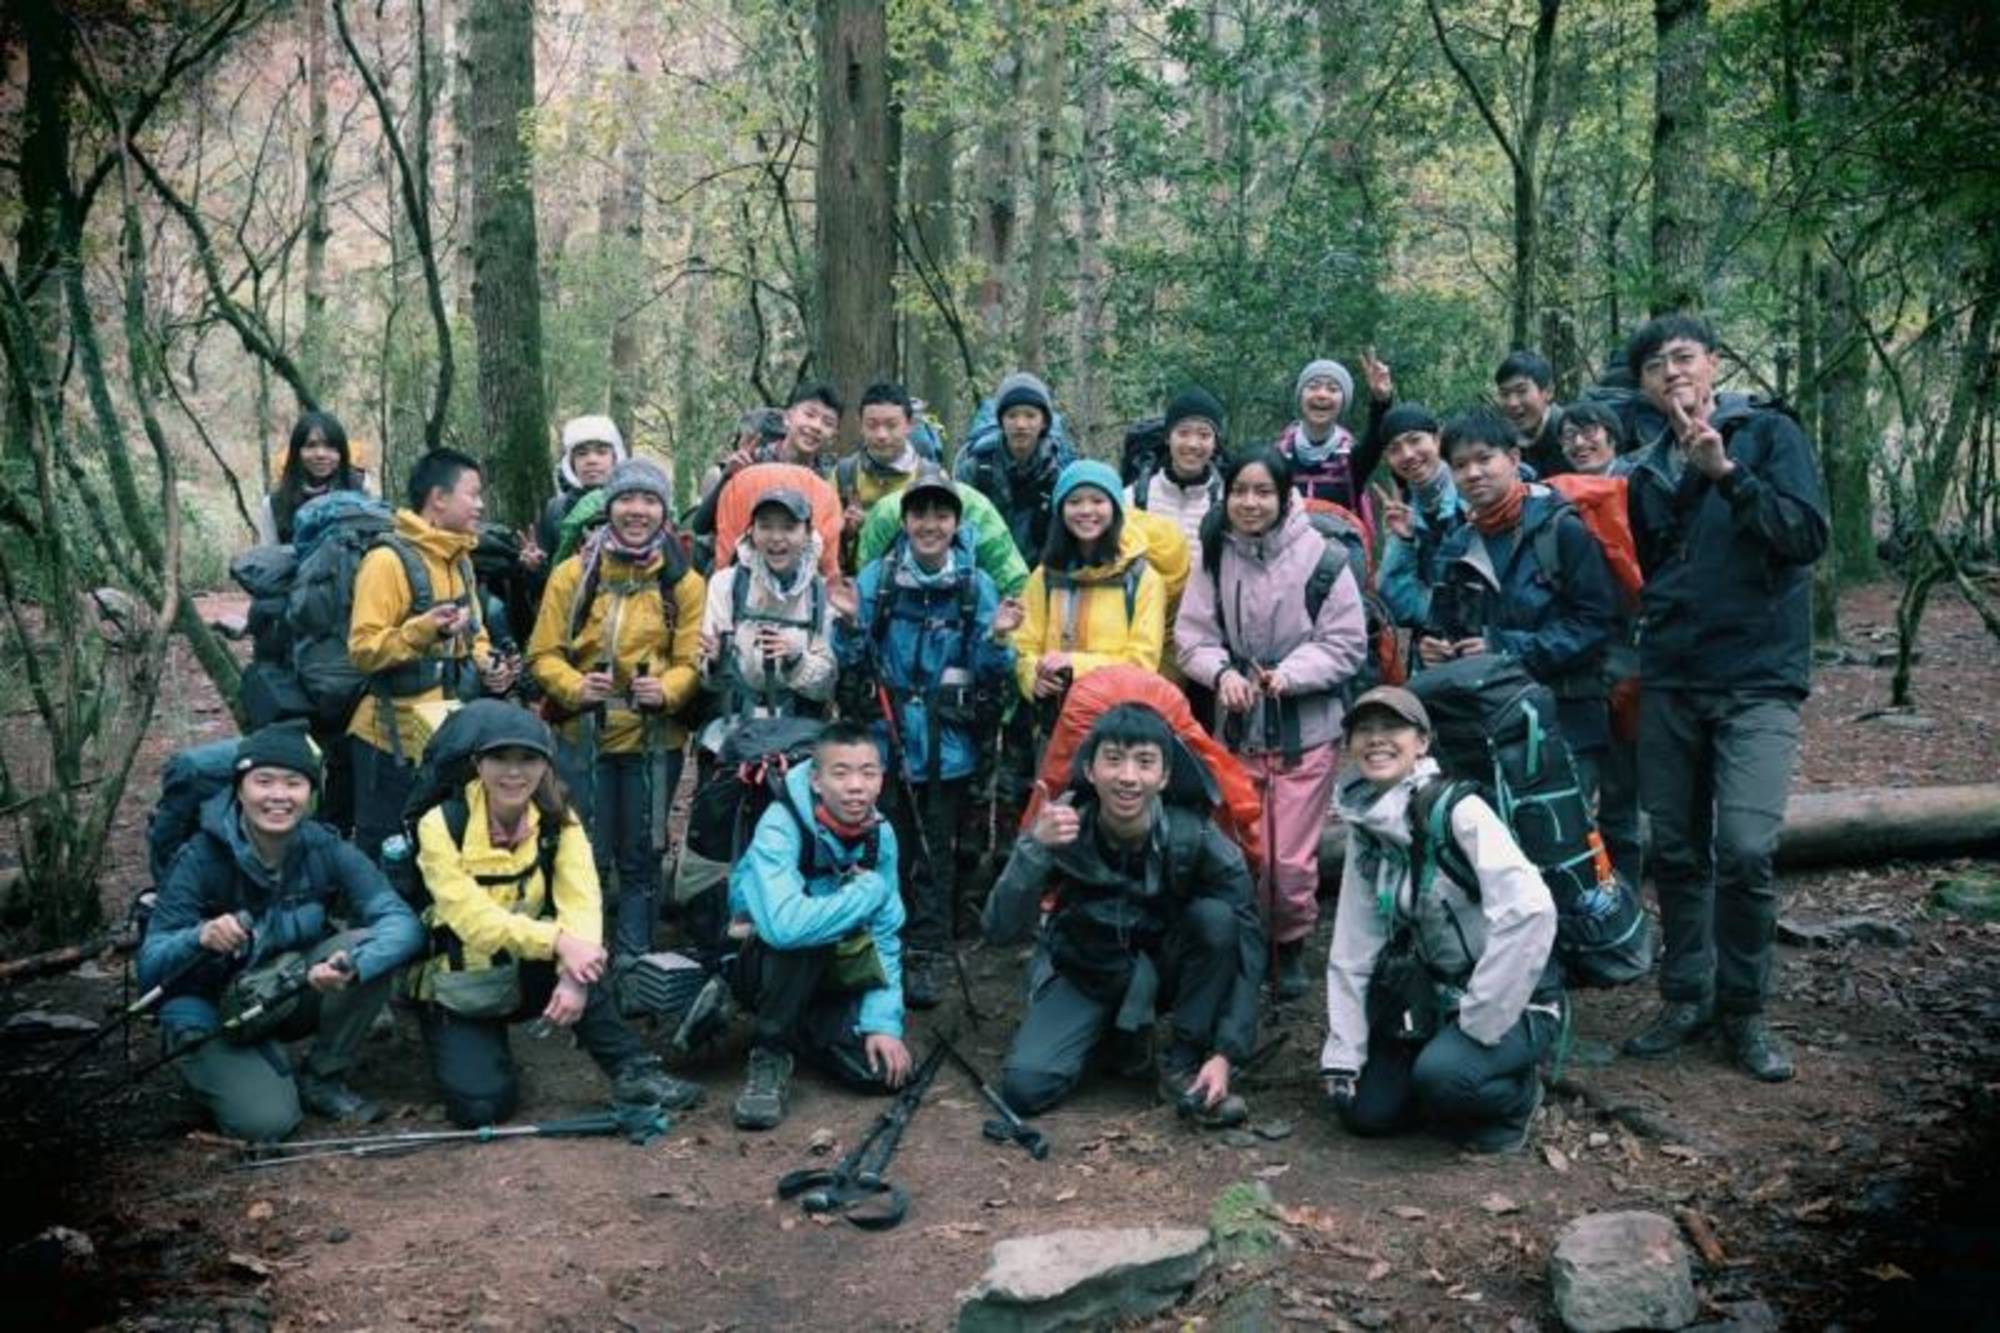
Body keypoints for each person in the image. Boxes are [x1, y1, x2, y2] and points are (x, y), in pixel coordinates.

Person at [1619, 314, 1828, 1082]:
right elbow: (1651, 570)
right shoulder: (1643, 469)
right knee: (1672, 846)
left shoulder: (1769, 434)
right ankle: (1686, 994)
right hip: (1673, 674)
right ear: (1642, 387)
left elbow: (1805, 535)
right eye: (1654, 366)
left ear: (1713, 363)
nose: (1671, 373)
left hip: (1759, 675)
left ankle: (1745, 1009)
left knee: (1744, 846)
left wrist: (1727, 474)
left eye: (1683, 357)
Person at [409, 702, 699, 1125]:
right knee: (480, 1110)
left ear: (545, 764)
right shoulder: (441, 824)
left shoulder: (557, 819)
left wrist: (572, 973)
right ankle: (478, 1049)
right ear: (478, 763)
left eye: (527, 759)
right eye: (499, 759)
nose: (514, 772)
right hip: (461, 980)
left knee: (586, 956)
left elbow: (581, 900)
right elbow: (472, 919)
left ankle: (633, 1070)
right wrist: (558, 942)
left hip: (528, 968)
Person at [137, 723, 424, 1141]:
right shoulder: (199, 858)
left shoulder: (323, 847)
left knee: (368, 947)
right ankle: (239, 1065)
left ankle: (321, 1078)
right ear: (239, 789)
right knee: (267, 1123)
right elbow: (150, 965)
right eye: (264, 781)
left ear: (310, 794)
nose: (278, 796)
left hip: (280, 989)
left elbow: (401, 923)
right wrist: (198, 937)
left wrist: (353, 966)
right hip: (210, 1009)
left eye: (294, 783)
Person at [983, 704, 1265, 1124]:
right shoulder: (1062, 826)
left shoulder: (1200, 838)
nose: (1128, 777)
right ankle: (1114, 1036)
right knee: (1026, 1089)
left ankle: (1182, 1062)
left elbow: (1246, 944)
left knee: (1216, 920)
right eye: (1113, 759)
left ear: (1165, 776)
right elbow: (998, 930)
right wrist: (1034, 850)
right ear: (1091, 770)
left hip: (1169, 968)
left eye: (1145, 762)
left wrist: (1226, 1052)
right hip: (1086, 967)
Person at [1322, 687, 1562, 1154]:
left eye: (1392, 728)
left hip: (1514, 1002)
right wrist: (1343, 1053)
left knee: (1445, 1078)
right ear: (1349, 746)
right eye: (1364, 731)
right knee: (1365, 1114)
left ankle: (1517, 1096)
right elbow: (1353, 945)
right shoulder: (1367, 825)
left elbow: (1531, 908)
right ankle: (1440, 1075)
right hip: (1431, 996)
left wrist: (1479, 1018)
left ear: (1422, 742)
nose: (1377, 740)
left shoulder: (1457, 811)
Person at [1174, 447, 1369, 1001]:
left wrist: (1291, 673)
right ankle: (1241, 944)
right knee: (1239, 848)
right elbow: (1192, 635)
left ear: (1285, 497)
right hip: (1235, 731)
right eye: (1241, 491)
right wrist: (1219, 673)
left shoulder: (1325, 559)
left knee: (1287, 858)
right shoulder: (1215, 555)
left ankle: (1290, 943)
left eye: (1264, 492)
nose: (1251, 503)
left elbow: (1346, 643)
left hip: (1304, 730)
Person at [833, 467, 1019, 1008]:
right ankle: (881, 943)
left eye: (941, 514)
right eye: (920, 513)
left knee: (936, 848)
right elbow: (852, 658)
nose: (930, 524)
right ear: (905, 519)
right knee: (885, 843)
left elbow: (989, 673)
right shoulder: (878, 579)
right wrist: (846, 626)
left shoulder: (974, 584)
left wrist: (998, 639)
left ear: (957, 522)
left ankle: (928, 952)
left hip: (947, 747)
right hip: (885, 741)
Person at [525, 458, 704, 961]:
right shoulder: (572, 575)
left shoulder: (682, 582)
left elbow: (691, 660)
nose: (637, 510)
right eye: (627, 499)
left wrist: (666, 691)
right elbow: (541, 654)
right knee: (583, 852)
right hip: (583, 736)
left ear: (664, 512)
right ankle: (581, 956)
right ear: (609, 508)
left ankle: (634, 961)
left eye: (650, 501)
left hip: (654, 741)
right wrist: (576, 686)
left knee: (643, 854)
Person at [1418, 410, 1618, 802]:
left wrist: (1503, 650)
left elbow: (1596, 625)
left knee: (1565, 839)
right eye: (1459, 465)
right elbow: (1441, 625)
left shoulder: (1562, 529)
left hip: (1567, 720)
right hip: (1485, 727)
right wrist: (1432, 647)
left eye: (1483, 458)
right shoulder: (1456, 546)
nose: (1473, 473)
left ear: (1513, 459)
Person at [726, 721, 913, 1130]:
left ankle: (800, 1028)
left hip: (834, 968)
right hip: (764, 962)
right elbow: (783, 927)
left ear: (881, 779)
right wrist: (865, 893)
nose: (856, 786)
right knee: (802, 939)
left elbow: (885, 933)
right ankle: (769, 1052)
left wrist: (883, 1024)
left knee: (877, 1075)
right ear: (815, 780)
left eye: (868, 772)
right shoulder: (781, 824)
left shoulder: (881, 835)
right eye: (841, 773)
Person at [346, 448, 519, 862]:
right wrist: (421, 631)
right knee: (384, 851)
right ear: (438, 498)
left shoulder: (459, 560)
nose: (480, 505)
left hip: (443, 733)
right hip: (387, 741)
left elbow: (474, 635)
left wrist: (488, 665)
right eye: (472, 494)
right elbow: (363, 649)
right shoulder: (386, 561)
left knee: (435, 845)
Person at [1553, 399, 1644, 890]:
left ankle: (1625, 891)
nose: (1579, 443)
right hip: (1586, 657)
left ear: (1613, 436)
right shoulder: (1563, 501)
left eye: (1589, 433)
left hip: (1635, 654)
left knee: (1623, 789)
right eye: (1569, 436)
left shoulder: (1636, 486)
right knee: (1590, 785)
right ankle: (1596, 894)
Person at [697, 487, 838, 760]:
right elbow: (707, 681)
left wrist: (795, 659)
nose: (776, 538)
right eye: (765, 526)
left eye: (788, 527)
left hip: (798, 736)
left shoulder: (820, 593)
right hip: (731, 732)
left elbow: (826, 685)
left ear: (807, 533)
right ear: (752, 532)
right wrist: (715, 661)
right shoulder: (726, 584)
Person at [1014, 460, 1167, 713]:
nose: (1086, 510)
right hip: (1055, 718)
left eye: (1098, 501)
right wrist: (1033, 678)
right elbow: (1024, 646)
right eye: (1074, 502)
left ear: (1116, 508)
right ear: (1060, 510)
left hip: (1117, 720)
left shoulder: (1142, 579)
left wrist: (1074, 665)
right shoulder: (1045, 576)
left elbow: (1143, 661)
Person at [1370, 403, 1466, 638]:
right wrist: (1403, 540)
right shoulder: (1406, 513)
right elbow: (1398, 603)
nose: (1408, 455)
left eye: (1415, 440)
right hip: (1437, 648)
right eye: (1395, 449)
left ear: (1437, 439)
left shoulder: (1473, 490)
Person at [953, 370, 1068, 563]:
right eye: (1012, 415)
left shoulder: (1059, 474)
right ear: (1001, 420)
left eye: (1030, 416)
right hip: (985, 575)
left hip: (1044, 577)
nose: (1021, 424)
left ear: (1044, 422)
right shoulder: (974, 470)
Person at [1274, 351, 1395, 519]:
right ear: (1300, 396)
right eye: (1313, 386)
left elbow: (1376, 439)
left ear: (1343, 402)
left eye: (1332, 389)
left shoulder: (1352, 459)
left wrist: (1381, 401)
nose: (1322, 395)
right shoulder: (1278, 456)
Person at [524, 414, 629, 577]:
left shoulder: (634, 505)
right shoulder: (556, 510)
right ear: (571, 462)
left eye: (601, 452)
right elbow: (547, 578)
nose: (591, 460)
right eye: (582, 454)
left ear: (615, 457)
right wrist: (535, 566)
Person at [835, 381, 927, 568]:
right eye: (872, 425)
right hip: (855, 585)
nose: (881, 435)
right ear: (860, 426)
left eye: (891, 425)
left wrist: (872, 523)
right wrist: (845, 529)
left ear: (909, 425)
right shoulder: (844, 474)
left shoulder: (928, 476)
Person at [699, 382, 842, 499]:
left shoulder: (834, 477)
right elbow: (702, 526)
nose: (816, 426)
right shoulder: (753, 462)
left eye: (828, 423)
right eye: (810, 415)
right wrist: (727, 479)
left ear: (833, 438)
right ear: (787, 418)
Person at [1128, 387, 1227, 546]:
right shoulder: (1133, 498)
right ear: (1168, 437)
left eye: (1204, 435)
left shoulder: (1228, 503)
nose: (1193, 444)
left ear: (1215, 443)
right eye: (1183, 433)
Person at [255, 410, 368, 546]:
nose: (320, 454)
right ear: (297, 452)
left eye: (330, 447)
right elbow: (269, 559)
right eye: (311, 446)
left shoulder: (359, 488)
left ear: (341, 454)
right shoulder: (274, 505)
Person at [1494, 350, 1566, 479]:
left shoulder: (1573, 436)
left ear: (1548, 391)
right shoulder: (1504, 441)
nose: (1512, 403)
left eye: (1521, 391)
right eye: (1504, 394)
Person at [1558, 399, 1636, 478]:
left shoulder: (1639, 479)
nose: (1579, 442)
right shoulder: (1560, 487)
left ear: (1612, 438)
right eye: (1569, 435)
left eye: (1588, 431)